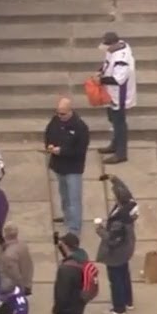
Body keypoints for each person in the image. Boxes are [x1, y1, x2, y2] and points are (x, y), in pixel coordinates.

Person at [44, 96, 90, 236]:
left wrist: (62, 151)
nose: (59, 116)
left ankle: (74, 229)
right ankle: (67, 217)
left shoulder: (80, 127)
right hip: (59, 166)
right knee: (64, 195)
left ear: (70, 111)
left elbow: (80, 150)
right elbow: (48, 133)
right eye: (58, 112)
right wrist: (49, 145)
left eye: (62, 113)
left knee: (74, 198)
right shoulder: (55, 121)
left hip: (73, 168)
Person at [95, 174, 139, 314]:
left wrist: (100, 229)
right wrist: (112, 178)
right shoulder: (130, 204)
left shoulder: (119, 220)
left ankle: (119, 309)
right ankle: (128, 301)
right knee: (124, 274)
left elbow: (112, 239)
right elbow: (125, 189)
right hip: (126, 249)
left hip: (116, 253)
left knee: (116, 280)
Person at [97, 31, 136, 164]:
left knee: (119, 123)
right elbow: (107, 63)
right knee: (112, 118)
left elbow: (118, 79)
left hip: (119, 94)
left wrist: (100, 80)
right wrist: (100, 71)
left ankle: (121, 153)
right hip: (111, 92)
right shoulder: (115, 48)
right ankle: (114, 145)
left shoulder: (122, 59)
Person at [0, 223, 35, 294]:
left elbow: (15, 276)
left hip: (17, 286)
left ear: (5, 234)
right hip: (27, 281)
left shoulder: (8, 255)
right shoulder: (23, 245)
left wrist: (21, 289)